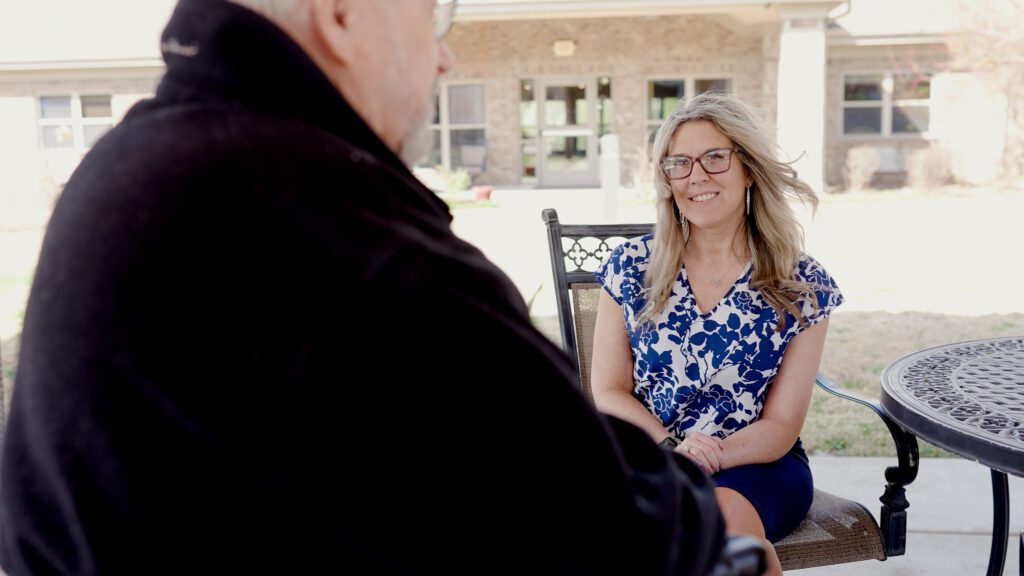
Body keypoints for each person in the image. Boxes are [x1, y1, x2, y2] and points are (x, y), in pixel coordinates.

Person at [0, 1, 729, 574]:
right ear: (342, 11)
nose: (444, 56)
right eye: (431, 13)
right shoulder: (321, 214)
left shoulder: (135, 157)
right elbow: (614, 530)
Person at [592, 91, 842, 575]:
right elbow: (608, 390)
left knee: (721, 534)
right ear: (667, 181)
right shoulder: (630, 268)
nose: (696, 176)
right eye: (679, 164)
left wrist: (711, 455)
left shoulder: (802, 285)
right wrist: (672, 449)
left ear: (748, 169)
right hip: (653, 454)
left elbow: (782, 425)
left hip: (757, 465)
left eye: (714, 158)